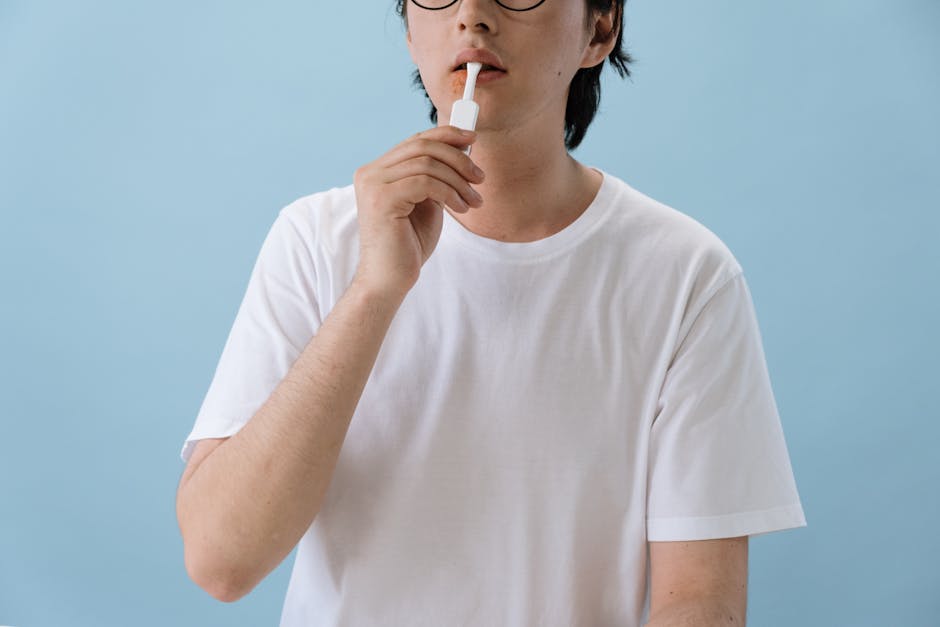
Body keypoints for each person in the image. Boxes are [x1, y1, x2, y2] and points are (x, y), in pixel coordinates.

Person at [176, 0, 807, 625]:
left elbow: (699, 602)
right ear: (409, 30)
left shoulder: (688, 276)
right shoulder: (315, 240)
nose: (472, 14)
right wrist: (373, 291)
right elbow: (221, 562)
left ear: (600, 27)